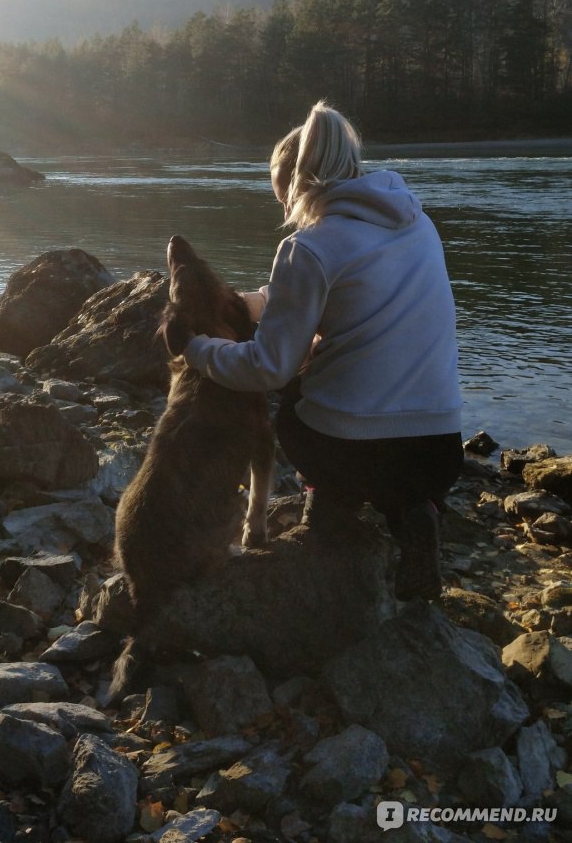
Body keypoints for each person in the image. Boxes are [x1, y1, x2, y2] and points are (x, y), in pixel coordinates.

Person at [170, 101, 464, 601]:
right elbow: (331, 292)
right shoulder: (416, 223)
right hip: (439, 451)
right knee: (383, 433)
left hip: (354, 452)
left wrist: (198, 349)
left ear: (292, 185)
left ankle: (330, 502)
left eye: (278, 194)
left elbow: (267, 366)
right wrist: (255, 302)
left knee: (294, 403)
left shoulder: (308, 247)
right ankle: (416, 511)